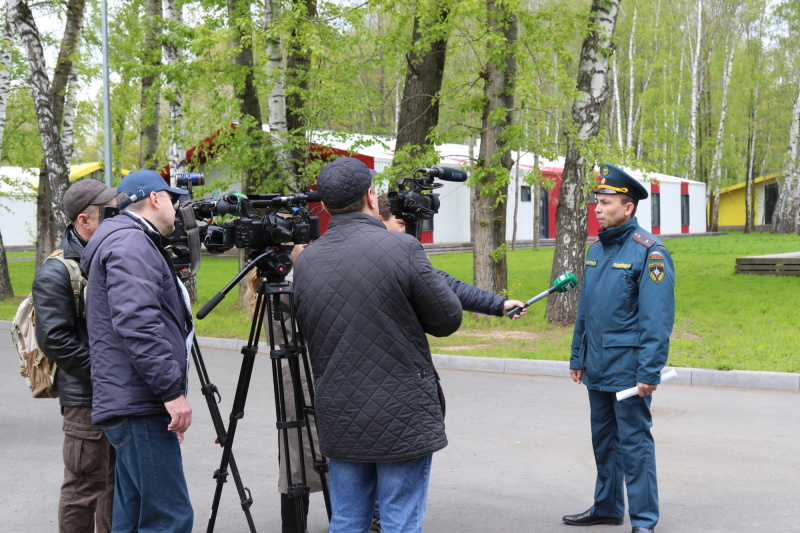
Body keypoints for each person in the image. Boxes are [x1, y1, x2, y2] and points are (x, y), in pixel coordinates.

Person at [293, 156, 462, 533]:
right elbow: (447, 319)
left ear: (324, 205)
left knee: (348, 520)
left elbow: (308, 329)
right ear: (371, 196)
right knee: (400, 519)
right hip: (401, 411)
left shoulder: (306, 262)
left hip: (340, 411)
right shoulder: (402, 248)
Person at [80, 169, 194, 533]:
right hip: (140, 403)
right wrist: (172, 394)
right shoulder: (131, 244)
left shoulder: (124, 240)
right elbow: (138, 324)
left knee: (131, 516)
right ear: (156, 198)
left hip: (130, 402)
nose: (176, 209)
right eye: (172, 199)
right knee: (168, 518)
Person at [563, 164, 675, 533]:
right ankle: (608, 507)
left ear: (628, 207)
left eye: (606, 202)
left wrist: (649, 370)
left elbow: (657, 320)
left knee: (634, 442)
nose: (597, 208)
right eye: (597, 201)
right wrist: (578, 356)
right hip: (597, 363)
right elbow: (587, 310)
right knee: (603, 441)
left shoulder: (650, 252)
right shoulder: (596, 250)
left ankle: (643, 519)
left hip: (628, 367)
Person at [32, 179, 117, 533]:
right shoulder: (56, 272)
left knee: (113, 485)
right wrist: (105, 373)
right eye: (109, 214)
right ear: (85, 220)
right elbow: (55, 340)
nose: (118, 219)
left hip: (115, 393)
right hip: (85, 397)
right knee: (83, 486)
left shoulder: (109, 255)